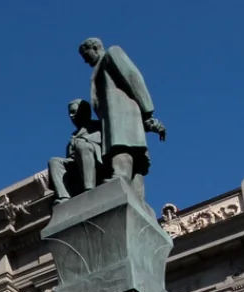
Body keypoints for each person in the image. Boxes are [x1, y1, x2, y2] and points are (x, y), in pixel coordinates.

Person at [78, 38, 166, 193]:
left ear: (95, 48)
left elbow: (133, 78)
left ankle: (121, 175)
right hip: (113, 116)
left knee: (121, 145)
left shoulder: (112, 53)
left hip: (121, 113)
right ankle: (136, 195)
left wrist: (147, 112)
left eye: (86, 55)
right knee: (133, 156)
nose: (86, 61)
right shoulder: (99, 67)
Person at [48, 99, 104, 202]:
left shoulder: (98, 126)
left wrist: (82, 142)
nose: (71, 116)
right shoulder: (74, 135)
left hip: (96, 161)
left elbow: (102, 142)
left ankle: (89, 189)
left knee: (82, 147)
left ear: (83, 112)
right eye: (69, 113)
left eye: (74, 112)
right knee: (54, 161)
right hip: (76, 165)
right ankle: (64, 197)